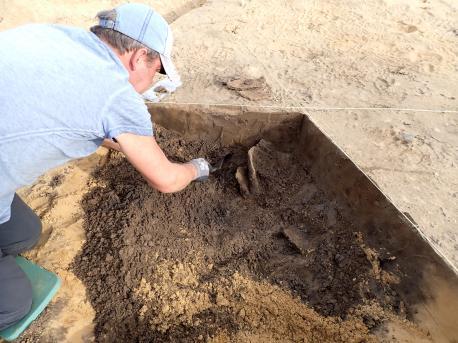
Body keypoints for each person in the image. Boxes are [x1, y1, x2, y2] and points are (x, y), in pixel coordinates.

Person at [0, 3, 210, 330]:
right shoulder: (115, 96)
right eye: (157, 69)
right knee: (13, 306)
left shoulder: (53, 35)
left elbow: (74, 115)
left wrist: (132, 142)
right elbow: (167, 180)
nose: (154, 79)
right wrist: (196, 168)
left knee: (24, 234)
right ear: (139, 57)